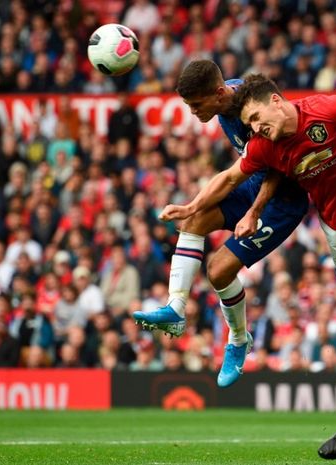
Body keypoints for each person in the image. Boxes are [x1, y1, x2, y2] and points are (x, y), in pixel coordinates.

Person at [158, 73, 336, 460]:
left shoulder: (324, 109)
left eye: (259, 118)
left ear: (277, 101)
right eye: (249, 125)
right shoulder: (264, 145)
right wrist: (193, 207)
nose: (256, 128)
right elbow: (229, 177)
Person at [132, 60, 309, 388]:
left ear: (217, 93)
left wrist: (253, 213)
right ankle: (176, 309)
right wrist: (191, 206)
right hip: (253, 184)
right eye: (188, 105)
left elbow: (277, 170)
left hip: (281, 201)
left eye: (196, 105)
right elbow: (234, 175)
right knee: (194, 220)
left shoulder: (255, 111)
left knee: (219, 271)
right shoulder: (228, 98)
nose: (192, 112)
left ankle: (239, 340)